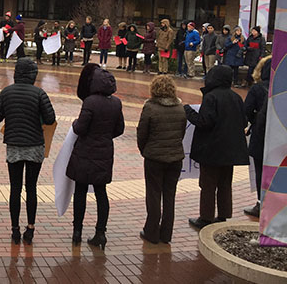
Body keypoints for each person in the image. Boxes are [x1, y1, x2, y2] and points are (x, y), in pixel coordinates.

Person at [0, 58, 56, 245]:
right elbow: (50, 118)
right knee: (31, 188)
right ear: (33, 75)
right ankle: (30, 228)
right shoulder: (39, 93)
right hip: (35, 145)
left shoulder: (6, 92)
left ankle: (14, 230)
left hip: (14, 145)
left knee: (15, 188)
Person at [67, 64, 125, 249]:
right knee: (101, 193)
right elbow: (120, 129)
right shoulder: (116, 103)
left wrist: (76, 123)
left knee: (81, 192)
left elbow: (80, 128)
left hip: (85, 153)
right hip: (105, 153)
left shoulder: (90, 101)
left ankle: (77, 232)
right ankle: (100, 232)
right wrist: (104, 136)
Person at [185, 66, 249, 229]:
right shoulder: (236, 97)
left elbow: (204, 122)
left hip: (212, 150)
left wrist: (188, 112)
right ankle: (223, 214)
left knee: (207, 185)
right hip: (231, 151)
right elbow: (243, 122)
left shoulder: (211, 97)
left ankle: (205, 218)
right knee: (225, 183)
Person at [136, 76, 186, 244]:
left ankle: (151, 232)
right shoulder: (180, 107)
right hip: (175, 157)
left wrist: (145, 150)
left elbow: (142, 133)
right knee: (170, 196)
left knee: (153, 194)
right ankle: (166, 234)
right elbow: (181, 133)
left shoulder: (150, 107)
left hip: (154, 157)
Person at [243, 56, 272, 217]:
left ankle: (261, 204)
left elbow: (246, 111)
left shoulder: (258, 89)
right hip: (279, 139)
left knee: (260, 170)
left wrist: (250, 123)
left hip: (261, 136)